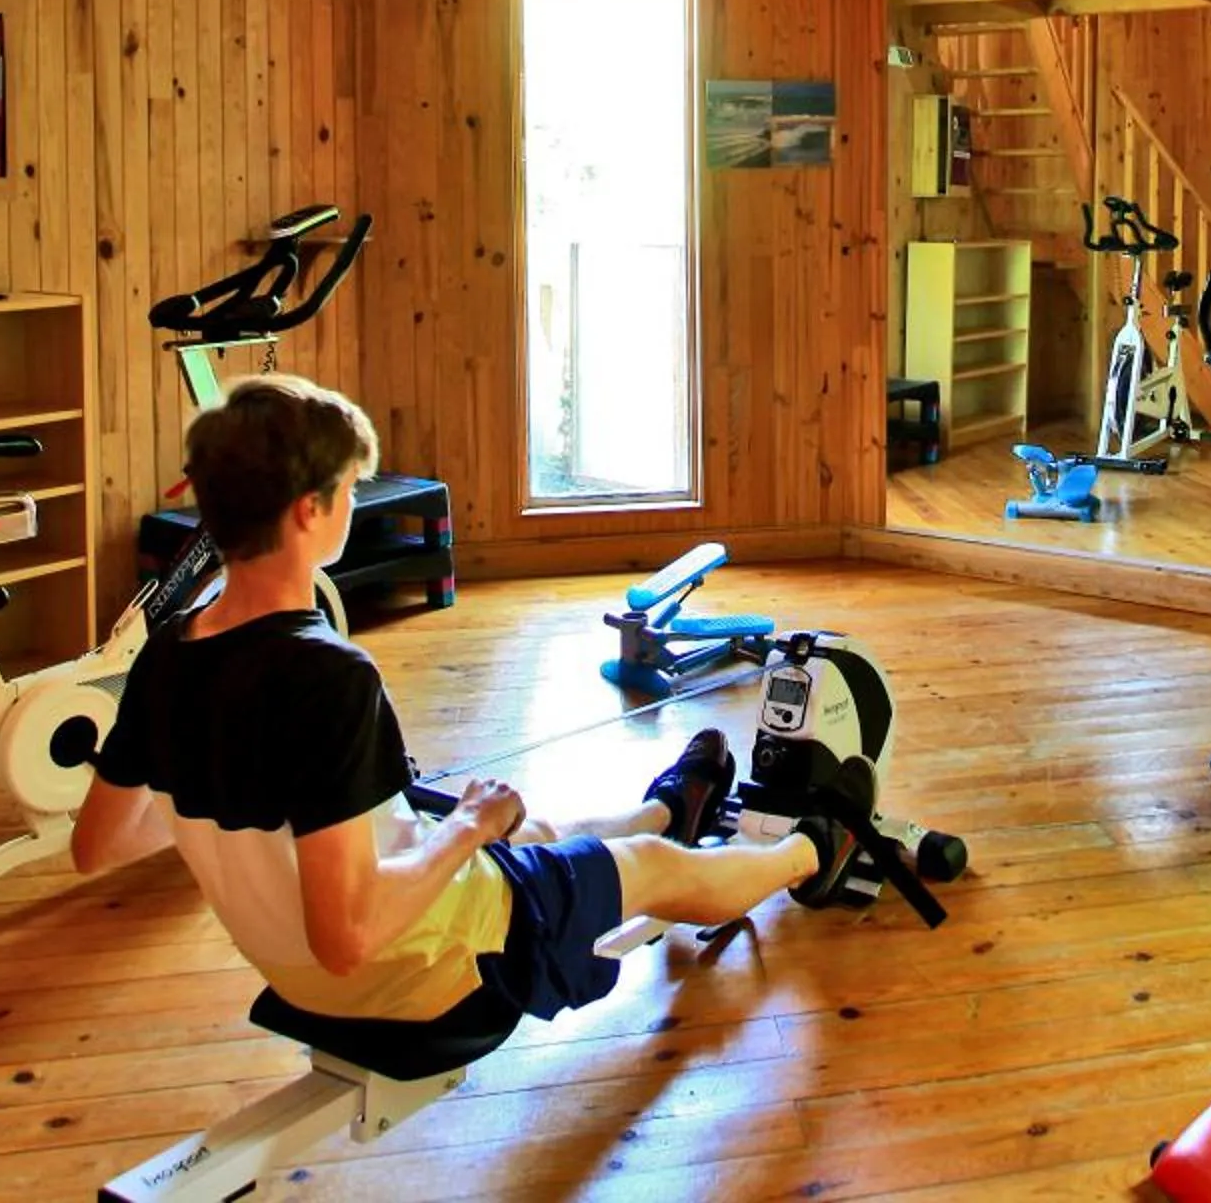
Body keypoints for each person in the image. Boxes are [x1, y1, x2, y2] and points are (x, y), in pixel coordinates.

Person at [70, 373, 864, 1030]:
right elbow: (348, 936)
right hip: (416, 975)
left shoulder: (169, 651)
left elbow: (97, 845)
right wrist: (467, 827)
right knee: (646, 871)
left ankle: (671, 808)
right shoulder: (329, 677)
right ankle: (813, 850)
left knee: (546, 833)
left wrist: (218, 797)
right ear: (309, 510)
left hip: (297, 969)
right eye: (350, 488)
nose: (354, 501)